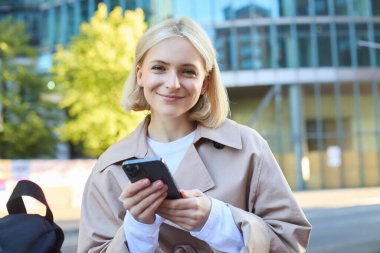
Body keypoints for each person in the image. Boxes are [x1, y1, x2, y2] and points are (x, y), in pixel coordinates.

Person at [78, 17, 311, 253]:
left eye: (188, 71)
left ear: (204, 82)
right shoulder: (109, 167)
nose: (173, 83)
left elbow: (290, 244)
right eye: (159, 68)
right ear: (140, 75)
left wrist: (215, 221)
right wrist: (138, 228)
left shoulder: (248, 147)